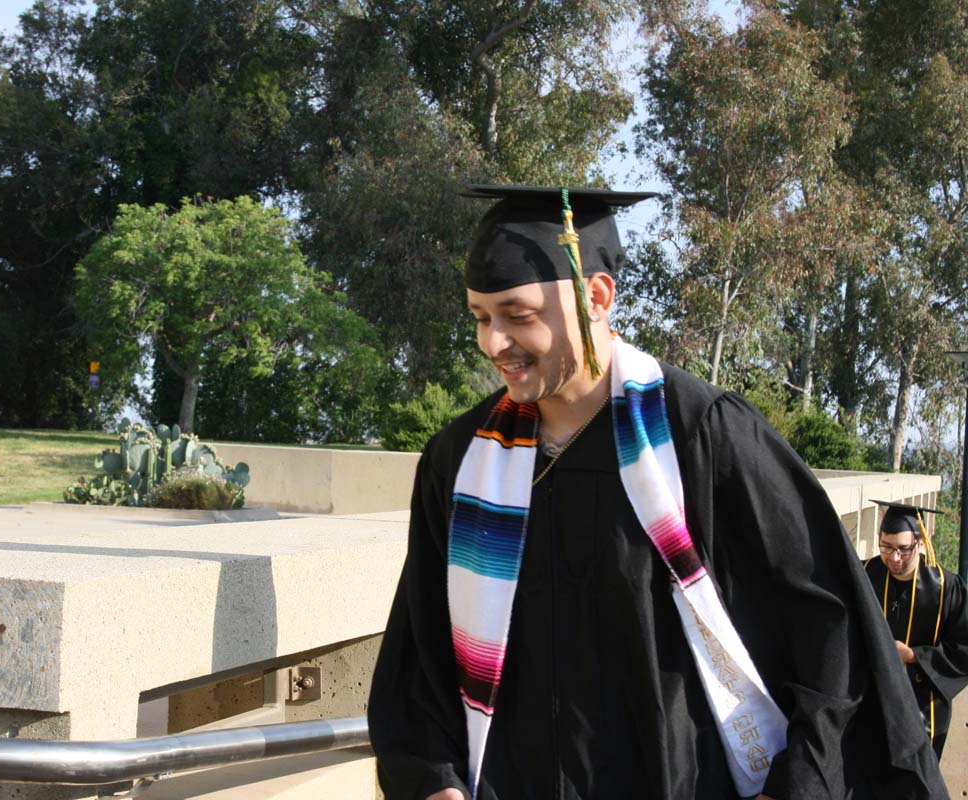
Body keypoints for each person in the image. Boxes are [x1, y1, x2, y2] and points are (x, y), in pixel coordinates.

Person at [367, 184, 948, 799]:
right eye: (481, 318)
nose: (494, 344)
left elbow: (832, 626)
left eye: (519, 315)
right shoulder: (462, 462)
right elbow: (421, 653)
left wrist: (794, 785)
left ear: (597, 297)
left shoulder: (701, 435)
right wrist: (437, 784)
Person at [864, 500, 968, 759]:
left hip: (924, 705)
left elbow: (964, 649)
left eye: (903, 549)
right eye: (886, 547)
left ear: (921, 543)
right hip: (872, 697)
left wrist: (913, 656)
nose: (894, 557)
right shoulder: (866, 574)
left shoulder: (947, 588)